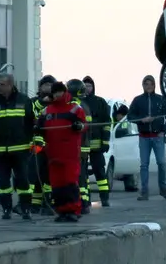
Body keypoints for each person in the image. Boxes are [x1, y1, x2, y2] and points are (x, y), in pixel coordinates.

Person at [0, 73, 35, 220]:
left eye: (2, 84)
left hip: (21, 150)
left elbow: (32, 124)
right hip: (0, 151)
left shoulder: (24, 100)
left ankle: (25, 208)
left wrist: (35, 142)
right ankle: (6, 209)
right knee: (3, 183)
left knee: (23, 181)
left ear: (10, 84)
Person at [36, 81, 87, 222]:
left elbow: (85, 125)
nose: (58, 94)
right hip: (53, 153)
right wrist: (37, 130)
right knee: (57, 184)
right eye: (55, 91)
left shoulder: (75, 109)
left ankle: (74, 210)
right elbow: (39, 127)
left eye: (60, 91)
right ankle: (62, 210)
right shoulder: (47, 111)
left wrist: (79, 126)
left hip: (69, 153)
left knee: (70, 182)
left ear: (65, 92)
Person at [128, 75, 166, 201]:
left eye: (151, 84)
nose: (148, 86)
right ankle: (144, 192)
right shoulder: (137, 100)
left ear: (154, 85)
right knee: (144, 165)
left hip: (158, 137)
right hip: (144, 138)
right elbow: (130, 116)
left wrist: (163, 131)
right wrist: (141, 120)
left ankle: (163, 189)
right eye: (146, 84)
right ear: (143, 85)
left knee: (161, 163)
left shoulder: (161, 100)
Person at [82, 76, 112, 207]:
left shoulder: (100, 102)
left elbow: (107, 123)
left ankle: (104, 198)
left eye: (89, 86)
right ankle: (85, 198)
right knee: (83, 173)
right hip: (82, 145)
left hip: (97, 144)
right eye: (85, 86)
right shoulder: (77, 102)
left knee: (99, 171)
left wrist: (105, 141)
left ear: (93, 87)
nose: (88, 88)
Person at [67, 79, 95, 213]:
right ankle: (85, 200)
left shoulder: (78, 106)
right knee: (82, 176)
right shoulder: (84, 105)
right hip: (82, 147)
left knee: (80, 176)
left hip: (79, 147)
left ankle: (83, 203)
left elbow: (84, 128)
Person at [29, 75, 56, 215]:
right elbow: (31, 115)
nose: (48, 88)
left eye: (50, 85)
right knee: (35, 175)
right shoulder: (34, 102)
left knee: (48, 177)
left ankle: (48, 202)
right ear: (40, 87)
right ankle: (34, 204)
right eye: (45, 85)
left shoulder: (56, 104)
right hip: (36, 145)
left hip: (52, 145)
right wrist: (42, 102)